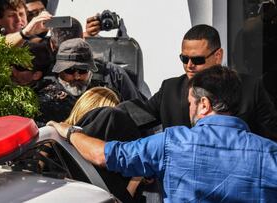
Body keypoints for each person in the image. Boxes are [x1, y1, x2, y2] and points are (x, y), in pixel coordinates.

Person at [47, 65, 277, 202]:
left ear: (204, 104)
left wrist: (70, 132)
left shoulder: (173, 143)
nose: (189, 109)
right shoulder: (269, 152)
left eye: (191, 103)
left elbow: (104, 155)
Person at [116, 24, 277, 140]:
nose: (189, 65)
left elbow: (272, 134)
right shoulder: (170, 89)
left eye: (197, 59)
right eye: (184, 58)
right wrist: (101, 114)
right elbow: (137, 117)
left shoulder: (250, 87)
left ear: (218, 55)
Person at [35, 38, 145, 126]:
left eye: (83, 70)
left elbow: (140, 116)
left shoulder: (112, 76)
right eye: (70, 70)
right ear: (59, 71)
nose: (77, 76)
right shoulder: (44, 85)